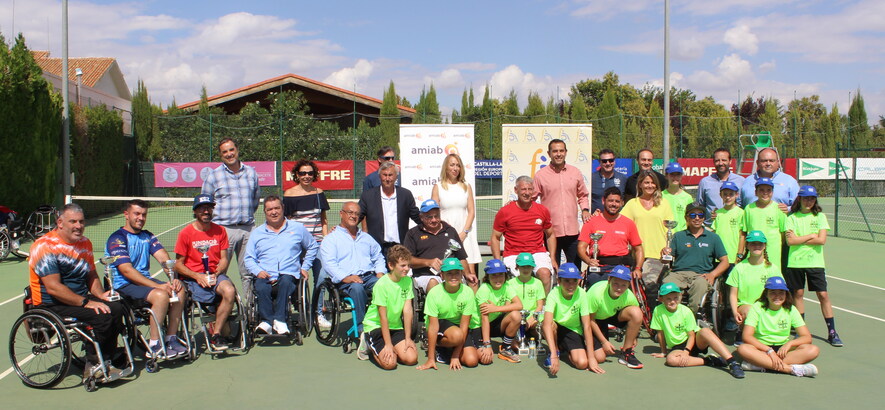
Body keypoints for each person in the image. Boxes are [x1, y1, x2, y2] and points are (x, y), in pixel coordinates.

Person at [29, 204, 129, 378]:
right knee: (100, 315)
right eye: (73, 221)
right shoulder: (44, 246)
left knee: (117, 307)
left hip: (79, 298)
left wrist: (101, 295)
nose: (78, 226)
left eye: (81, 221)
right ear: (60, 223)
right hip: (51, 303)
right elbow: (53, 287)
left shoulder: (85, 243)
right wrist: (87, 303)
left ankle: (107, 355)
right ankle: (94, 365)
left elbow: (91, 275)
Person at [106, 199, 188, 358]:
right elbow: (127, 271)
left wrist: (172, 278)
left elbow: (164, 258)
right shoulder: (117, 239)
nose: (141, 218)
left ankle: (171, 338)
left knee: (180, 290)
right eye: (137, 214)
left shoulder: (147, 236)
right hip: (124, 285)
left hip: (143, 283)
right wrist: (157, 286)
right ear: (126, 215)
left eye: (144, 214)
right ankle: (154, 345)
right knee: (161, 295)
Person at [243, 195, 318, 336]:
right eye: (270, 209)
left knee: (285, 282)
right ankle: (266, 321)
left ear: (283, 208)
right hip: (265, 274)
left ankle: (279, 320)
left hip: (289, 273)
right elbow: (249, 258)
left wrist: (305, 267)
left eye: (277, 208)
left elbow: (313, 246)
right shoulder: (257, 233)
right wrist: (258, 271)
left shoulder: (297, 228)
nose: (274, 212)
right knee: (260, 286)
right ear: (265, 212)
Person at [319, 201, 387, 354]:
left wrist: (380, 273)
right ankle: (363, 330)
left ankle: (385, 324)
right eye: (350, 212)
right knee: (356, 288)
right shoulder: (331, 239)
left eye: (356, 214)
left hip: (368, 277)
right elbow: (329, 264)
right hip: (345, 282)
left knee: (384, 286)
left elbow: (378, 256)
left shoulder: (367, 238)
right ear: (341, 214)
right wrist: (345, 277)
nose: (353, 216)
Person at [174, 194, 237, 351]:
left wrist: (216, 273)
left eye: (209, 207)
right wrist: (198, 276)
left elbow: (224, 259)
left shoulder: (220, 230)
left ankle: (216, 334)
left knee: (229, 290)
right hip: (192, 279)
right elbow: (178, 265)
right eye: (202, 208)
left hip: (215, 275)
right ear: (195, 211)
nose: (206, 211)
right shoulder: (185, 233)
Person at [201, 138, 260, 301]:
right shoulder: (213, 176)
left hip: (248, 230)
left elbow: (255, 199)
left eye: (231, 150)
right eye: (225, 152)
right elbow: (206, 203)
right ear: (220, 155)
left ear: (237, 150)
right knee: (219, 272)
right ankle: (219, 311)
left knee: (248, 274)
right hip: (223, 231)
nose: (229, 154)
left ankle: (250, 312)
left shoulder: (251, 173)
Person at [784, 185, 842, 347]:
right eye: (805, 198)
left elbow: (821, 240)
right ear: (799, 199)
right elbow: (790, 241)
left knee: (823, 295)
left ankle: (832, 332)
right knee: (798, 294)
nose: (808, 201)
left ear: (815, 200)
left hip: (815, 263)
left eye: (811, 198)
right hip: (795, 262)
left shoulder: (820, 217)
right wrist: (810, 235)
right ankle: (800, 330)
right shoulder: (791, 218)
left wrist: (800, 238)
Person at [650, 283, 745, 378]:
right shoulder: (658, 311)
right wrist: (663, 352)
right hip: (677, 347)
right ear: (661, 299)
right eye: (668, 299)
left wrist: (686, 352)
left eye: (675, 298)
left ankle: (732, 363)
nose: (673, 301)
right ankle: (710, 360)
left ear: (680, 297)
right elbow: (660, 333)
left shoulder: (686, 311)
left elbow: (691, 335)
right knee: (671, 360)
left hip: (694, 341)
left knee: (705, 331)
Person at [736, 277, 820, 377]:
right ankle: (790, 369)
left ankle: (761, 365)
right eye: (772, 292)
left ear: (786, 294)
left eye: (781, 292)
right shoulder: (757, 307)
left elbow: (807, 337)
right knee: (743, 349)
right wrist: (769, 350)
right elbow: (747, 336)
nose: (777, 296)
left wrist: (790, 344)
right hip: (761, 349)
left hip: (782, 351)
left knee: (813, 350)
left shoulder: (791, 309)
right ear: (766, 294)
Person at [491, 176, 557, 293]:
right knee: (519, 281)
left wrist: (552, 258)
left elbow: (550, 234)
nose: (527, 193)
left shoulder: (542, 210)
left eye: (530, 189)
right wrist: (498, 261)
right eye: (523, 189)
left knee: (545, 274)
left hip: (537, 253)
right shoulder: (505, 211)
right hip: (513, 254)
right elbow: (495, 237)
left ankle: (543, 308)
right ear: (516, 190)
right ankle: (517, 308)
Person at [532, 139, 591, 269]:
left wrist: (585, 210)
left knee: (574, 270)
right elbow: (531, 199)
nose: (558, 154)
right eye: (555, 151)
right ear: (549, 153)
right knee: (552, 269)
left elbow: (582, 195)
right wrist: (516, 204)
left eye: (561, 151)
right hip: (550, 233)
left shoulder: (575, 172)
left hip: (572, 232)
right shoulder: (540, 175)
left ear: (566, 152)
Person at [662, 203, 729, 314]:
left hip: (701, 275)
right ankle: (673, 316)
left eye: (700, 215)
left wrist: (712, 274)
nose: (697, 218)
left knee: (700, 285)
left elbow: (725, 261)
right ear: (686, 218)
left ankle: (691, 317)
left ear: (704, 217)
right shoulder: (678, 236)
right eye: (693, 215)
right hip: (679, 274)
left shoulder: (713, 237)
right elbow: (666, 259)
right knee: (667, 282)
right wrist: (664, 254)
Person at [362, 245, 419, 369]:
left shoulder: (408, 281)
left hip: (396, 327)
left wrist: (408, 338)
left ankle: (392, 346)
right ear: (391, 265)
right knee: (390, 364)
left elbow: (408, 311)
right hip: (376, 327)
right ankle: (367, 342)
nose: (407, 269)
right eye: (402, 266)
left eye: (408, 265)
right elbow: (383, 317)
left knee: (411, 359)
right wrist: (388, 345)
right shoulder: (381, 285)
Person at [417, 258, 478, 371]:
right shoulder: (434, 293)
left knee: (471, 360)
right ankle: (436, 345)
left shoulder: (468, 292)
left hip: (459, 328)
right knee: (457, 335)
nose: (453, 277)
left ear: (462, 274)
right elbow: (433, 326)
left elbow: (464, 326)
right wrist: (430, 359)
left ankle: (448, 350)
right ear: (442, 275)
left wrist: (455, 355)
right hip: (440, 323)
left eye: (457, 273)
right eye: (449, 273)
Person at [543, 263, 604, 375]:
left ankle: (576, 350)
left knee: (600, 357)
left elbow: (586, 326)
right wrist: (553, 355)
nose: (571, 285)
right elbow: (546, 325)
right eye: (567, 281)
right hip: (562, 330)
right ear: (559, 281)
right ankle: (558, 349)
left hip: (578, 329)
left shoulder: (582, 293)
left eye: (574, 281)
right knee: (582, 363)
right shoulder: (553, 294)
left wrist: (591, 358)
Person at [621, 169, 672, 300]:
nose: (650, 185)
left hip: (658, 254)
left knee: (651, 287)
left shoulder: (664, 203)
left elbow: (670, 229)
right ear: (640, 185)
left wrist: (668, 249)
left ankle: (652, 317)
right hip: (637, 254)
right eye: (646, 182)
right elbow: (622, 225)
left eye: (653, 183)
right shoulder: (632, 204)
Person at [403, 199, 474, 293]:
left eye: (436, 216)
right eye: (429, 217)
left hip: (451, 273)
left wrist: (468, 274)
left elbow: (461, 257)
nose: (434, 220)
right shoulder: (413, 234)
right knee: (433, 282)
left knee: (464, 282)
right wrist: (428, 262)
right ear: (421, 217)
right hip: (426, 276)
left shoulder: (450, 231)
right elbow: (408, 260)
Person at [578, 187, 644, 286]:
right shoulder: (591, 222)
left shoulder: (628, 223)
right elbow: (581, 247)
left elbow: (639, 249)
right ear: (603, 201)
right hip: (599, 268)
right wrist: (589, 261)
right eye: (610, 201)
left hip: (621, 267)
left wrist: (638, 269)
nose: (614, 204)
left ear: (622, 203)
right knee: (593, 282)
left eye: (617, 201)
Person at [725, 230, 782, 345]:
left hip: (766, 306)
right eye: (753, 243)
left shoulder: (772, 269)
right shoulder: (739, 268)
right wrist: (735, 312)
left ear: (765, 246)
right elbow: (733, 294)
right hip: (745, 307)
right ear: (747, 245)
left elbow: (780, 292)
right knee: (751, 311)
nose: (757, 246)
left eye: (760, 244)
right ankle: (743, 335)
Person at [432, 153, 482, 279]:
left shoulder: (466, 186)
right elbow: (434, 214)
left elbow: (471, 211)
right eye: (452, 165)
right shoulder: (438, 187)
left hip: (465, 236)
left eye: (458, 165)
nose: (455, 168)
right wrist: (448, 234)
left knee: (470, 274)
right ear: (446, 167)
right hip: (446, 237)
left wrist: (464, 232)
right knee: (450, 274)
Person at [586, 265, 644, 369]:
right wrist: (604, 342)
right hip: (595, 320)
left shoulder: (629, 296)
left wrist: (634, 335)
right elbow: (590, 320)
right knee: (600, 357)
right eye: (615, 283)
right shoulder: (596, 293)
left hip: (612, 314)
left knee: (636, 312)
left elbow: (637, 318)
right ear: (609, 280)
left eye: (623, 285)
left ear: (628, 285)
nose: (619, 288)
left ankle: (626, 352)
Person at [359, 161, 421, 257]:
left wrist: (433, 224)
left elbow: (417, 217)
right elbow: (356, 216)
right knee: (380, 273)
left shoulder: (405, 195)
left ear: (396, 176)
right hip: (377, 249)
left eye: (390, 175)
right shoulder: (368, 196)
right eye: (384, 175)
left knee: (398, 273)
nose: (387, 178)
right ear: (379, 176)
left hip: (400, 248)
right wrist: (341, 228)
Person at [283, 159, 329, 285]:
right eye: (303, 173)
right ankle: (300, 304)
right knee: (297, 277)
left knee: (322, 278)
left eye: (309, 173)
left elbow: (323, 219)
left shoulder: (319, 193)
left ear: (314, 175)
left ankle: (318, 305)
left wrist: (325, 239)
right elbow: (287, 221)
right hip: (298, 243)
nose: (306, 176)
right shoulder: (289, 194)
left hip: (318, 242)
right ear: (297, 175)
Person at [474, 259, 523, 364]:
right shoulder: (484, 290)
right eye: (494, 275)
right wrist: (487, 344)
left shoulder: (507, 286)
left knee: (516, 315)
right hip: (479, 327)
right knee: (485, 360)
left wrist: (495, 308)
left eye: (501, 274)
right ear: (487, 276)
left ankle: (506, 348)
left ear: (505, 275)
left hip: (496, 322)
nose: (498, 279)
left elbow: (519, 305)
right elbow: (484, 319)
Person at [739, 178, 786, 268]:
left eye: (768, 190)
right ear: (756, 192)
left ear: (772, 192)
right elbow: (744, 232)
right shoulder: (749, 209)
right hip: (753, 252)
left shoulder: (779, 209)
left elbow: (783, 234)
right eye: (761, 190)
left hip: (773, 254)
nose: (765, 193)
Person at [739, 148, 799, 212]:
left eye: (771, 161)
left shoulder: (789, 181)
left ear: (778, 162)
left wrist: (788, 209)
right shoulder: (747, 181)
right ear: (757, 162)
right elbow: (739, 205)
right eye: (764, 161)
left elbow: (799, 205)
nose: (768, 164)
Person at [696, 148, 745, 225]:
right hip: (711, 229)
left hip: (734, 227)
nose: (720, 163)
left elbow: (743, 205)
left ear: (730, 161)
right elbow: (699, 207)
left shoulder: (741, 181)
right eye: (717, 160)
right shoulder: (705, 182)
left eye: (724, 160)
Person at [507, 253, 546, 337]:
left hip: (533, 317)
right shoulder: (510, 283)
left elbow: (539, 306)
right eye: (523, 266)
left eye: (528, 266)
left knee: (540, 328)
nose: (526, 269)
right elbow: (508, 304)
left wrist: (529, 321)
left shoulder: (538, 283)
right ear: (517, 267)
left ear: (533, 267)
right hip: (517, 317)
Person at [710, 181, 744, 271]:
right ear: (720, 195)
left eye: (731, 194)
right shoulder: (718, 213)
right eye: (725, 194)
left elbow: (742, 235)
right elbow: (714, 233)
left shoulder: (741, 213)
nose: (728, 197)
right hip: (719, 256)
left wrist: (740, 253)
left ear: (736, 195)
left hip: (733, 256)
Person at [590, 149, 628, 214]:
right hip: (597, 219)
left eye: (611, 160)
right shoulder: (591, 178)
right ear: (600, 162)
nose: (608, 163)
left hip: (616, 220)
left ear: (614, 161)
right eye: (604, 161)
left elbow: (626, 201)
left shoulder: (623, 178)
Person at [662, 162, 694, 233]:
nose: (675, 178)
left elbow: (690, 220)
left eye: (678, 175)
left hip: (682, 236)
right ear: (666, 176)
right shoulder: (660, 196)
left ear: (681, 176)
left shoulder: (687, 198)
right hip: (663, 235)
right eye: (672, 175)